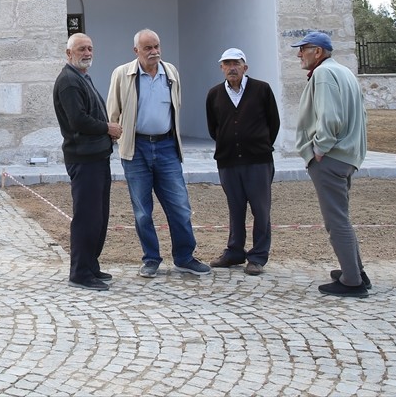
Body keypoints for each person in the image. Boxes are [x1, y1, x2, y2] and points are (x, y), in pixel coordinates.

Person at [106, 29, 211, 278]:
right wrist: (116, 141)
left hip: (166, 147)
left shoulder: (171, 72)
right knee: (143, 210)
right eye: (148, 48)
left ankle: (184, 257)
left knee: (180, 206)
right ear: (136, 51)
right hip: (136, 148)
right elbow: (113, 111)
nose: (154, 52)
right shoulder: (123, 74)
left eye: (156, 46)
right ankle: (151, 258)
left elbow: (177, 105)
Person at [292, 31, 371, 298]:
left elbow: (330, 117)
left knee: (335, 221)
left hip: (331, 158)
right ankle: (356, 271)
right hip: (347, 156)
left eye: (303, 49)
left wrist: (319, 149)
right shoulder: (344, 72)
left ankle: (352, 281)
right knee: (342, 218)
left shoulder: (324, 74)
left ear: (318, 51)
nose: (298, 54)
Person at [53, 33, 122, 291]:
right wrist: (108, 128)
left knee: (99, 216)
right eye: (81, 49)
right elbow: (78, 120)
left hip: (97, 156)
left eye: (90, 48)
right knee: (87, 217)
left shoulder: (82, 77)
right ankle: (80, 272)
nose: (87, 53)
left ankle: (91, 265)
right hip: (84, 159)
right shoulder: (69, 81)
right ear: (69, 53)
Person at [205, 47, 280, 276]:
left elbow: (273, 122)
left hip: (258, 160)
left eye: (236, 63)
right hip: (228, 162)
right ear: (221, 68)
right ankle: (235, 251)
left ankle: (257, 256)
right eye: (227, 64)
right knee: (235, 209)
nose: (232, 68)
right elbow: (213, 128)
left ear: (245, 67)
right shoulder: (214, 94)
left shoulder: (261, 89)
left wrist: (259, 144)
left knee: (261, 209)